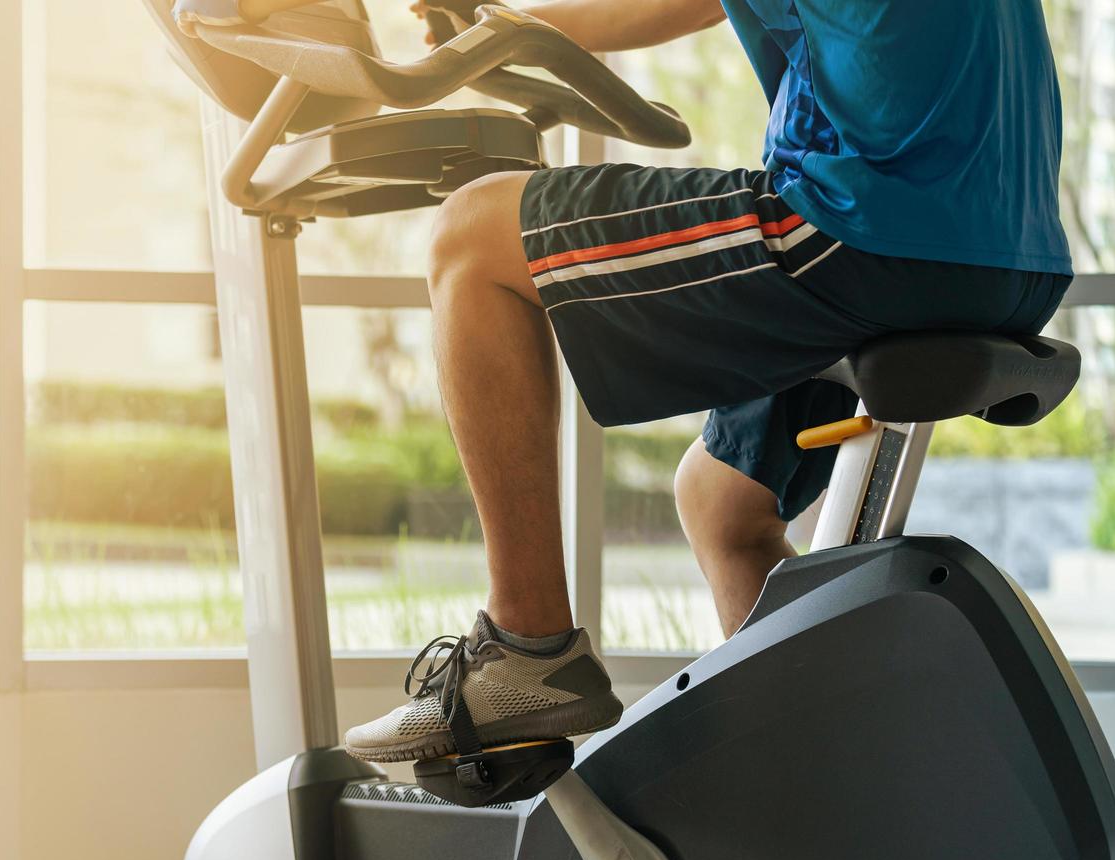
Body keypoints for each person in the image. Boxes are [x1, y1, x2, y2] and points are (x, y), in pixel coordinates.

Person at [343, 0, 1074, 763]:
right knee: (723, 502)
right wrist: (506, 29)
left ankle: (527, 651)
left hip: (873, 219)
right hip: (1009, 247)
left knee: (470, 237)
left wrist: (498, 28)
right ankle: (829, 780)